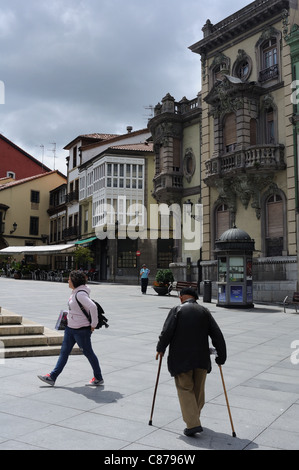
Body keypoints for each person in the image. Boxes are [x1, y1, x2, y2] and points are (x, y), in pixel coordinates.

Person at [156, 287, 226, 436]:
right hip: (201, 358)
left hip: (181, 358)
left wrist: (160, 348)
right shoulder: (204, 312)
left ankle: (193, 423)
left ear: (181, 297)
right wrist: (222, 355)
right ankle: (195, 418)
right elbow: (217, 334)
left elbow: (167, 331)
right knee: (198, 390)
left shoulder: (177, 310)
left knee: (185, 389)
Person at [38, 270, 104, 387]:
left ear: (74, 281)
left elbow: (93, 307)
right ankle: (52, 377)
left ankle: (98, 377)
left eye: (69, 279)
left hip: (81, 330)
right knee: (64, 353)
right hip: (70, 328)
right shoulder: (75, 292)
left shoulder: (80, 294)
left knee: (89, 353)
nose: (67, 281)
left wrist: (93, 324)